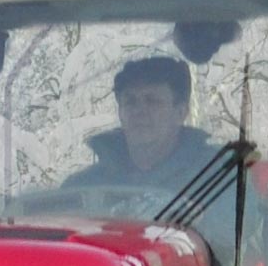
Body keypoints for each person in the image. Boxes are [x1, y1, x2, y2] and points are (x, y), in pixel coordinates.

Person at [64, 57, 221, 202]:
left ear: (180, 112)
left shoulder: (217, 179)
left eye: (152, 101)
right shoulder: (83, 189)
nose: (139, 110)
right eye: (130, 101)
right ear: (120, 112)